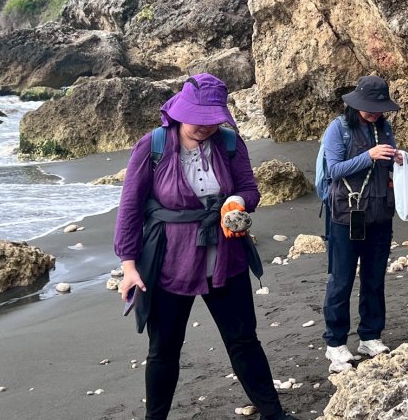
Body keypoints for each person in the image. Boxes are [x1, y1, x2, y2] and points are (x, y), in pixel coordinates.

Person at [114, 73, 297, 420]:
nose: (203, 127)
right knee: (163, 350)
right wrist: (128, 266)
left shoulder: (229, 143)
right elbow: (130, 208)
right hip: (170, 262)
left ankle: (274, 415)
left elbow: (250, 188)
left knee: (244, 341)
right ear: (180, 111)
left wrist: (237, 201)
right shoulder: (152, 146)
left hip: (226, 257)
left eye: (211, 121)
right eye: (196, 118)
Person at [322, 76, 401, 373]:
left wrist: (398, 159)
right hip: (346, 214)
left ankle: (370, 336)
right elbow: (335, 170)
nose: (374, 113)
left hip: (379, 212)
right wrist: (368, 156)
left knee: (374, 277)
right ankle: (335, 343)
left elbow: (387, 161)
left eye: (379, 108)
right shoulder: (338, 128)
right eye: (369, 108)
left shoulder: (384, 127)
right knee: (341, 280)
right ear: (356, 105)